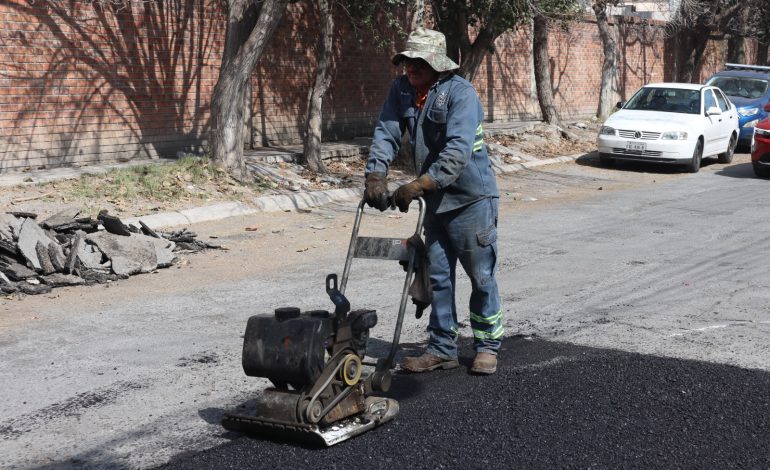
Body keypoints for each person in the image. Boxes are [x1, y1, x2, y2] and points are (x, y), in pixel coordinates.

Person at [363, 28, 503, 375]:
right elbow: (386, 130)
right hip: (435, 202)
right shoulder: (403, 90)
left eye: (419, 63)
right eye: (408, 61)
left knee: (480, 276)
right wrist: (375, 175)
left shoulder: (461, 94)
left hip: (470, 199)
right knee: (438, 275)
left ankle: (487, 345)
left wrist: (419, 184)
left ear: (437, 65)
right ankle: (443, 348)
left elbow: (457, 152)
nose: (411, 69)